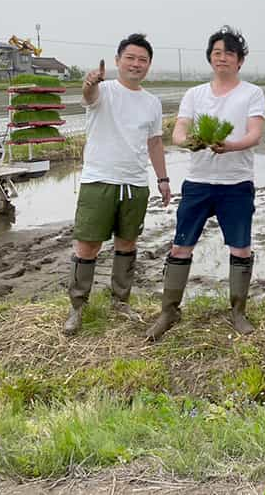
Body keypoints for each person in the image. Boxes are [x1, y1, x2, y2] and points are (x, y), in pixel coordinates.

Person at [146, 26, 265, 341]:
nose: (222, 58)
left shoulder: (251, 93)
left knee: (240, 248)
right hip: (198, 183)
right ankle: (169, 310)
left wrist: (232, 145)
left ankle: (238, 311)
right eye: (216, 52)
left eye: (229, 53)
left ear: (240, 60)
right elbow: (179, 131)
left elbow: (254, 134)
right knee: (180, 245)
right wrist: (191, 142)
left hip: (236, 182)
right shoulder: (195, 94)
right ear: (210, 58)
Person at [64, 34, 170, 336]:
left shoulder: (152, 102)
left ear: (148, 65)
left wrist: (163, 179)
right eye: (131, 58)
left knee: (127, 243)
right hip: (99, 180)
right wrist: (90, 82)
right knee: (88, 245)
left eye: (143, 60)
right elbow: (88, 96)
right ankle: (77, 307)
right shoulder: (104, 91)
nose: (136, 64)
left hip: (135, 183)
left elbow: (154, 142)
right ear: (117, 60)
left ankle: (120, 301)